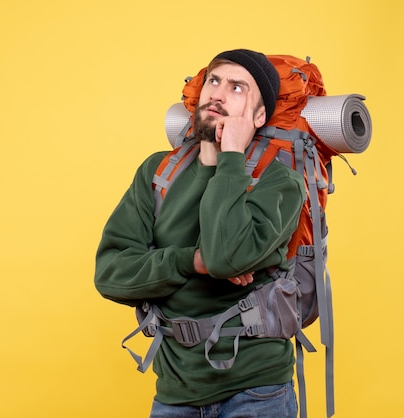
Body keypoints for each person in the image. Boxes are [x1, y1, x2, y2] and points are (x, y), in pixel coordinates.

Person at [94, 49, 306, 418]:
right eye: (214, 80)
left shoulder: (279, 181)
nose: (218, 93)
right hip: (176, 390)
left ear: (259, 116)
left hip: (257, 390)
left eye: (238, 87)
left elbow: (225, 258)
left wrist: (231, 157)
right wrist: (192, 261)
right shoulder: (158, 172)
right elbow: (110, 273)